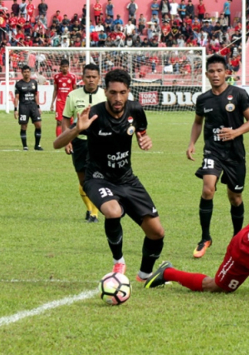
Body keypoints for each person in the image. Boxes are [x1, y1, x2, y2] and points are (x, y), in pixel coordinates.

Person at [53, 69, 166, 281]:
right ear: (105, 92)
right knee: (113, 212)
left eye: (122, 93)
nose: (117, 98)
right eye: (113, 92)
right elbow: (56, 143)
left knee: (157, 232)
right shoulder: (94, 114)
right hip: (97, 178)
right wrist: (77, 130)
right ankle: (118, 262)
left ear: (128, 92)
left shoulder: (136, 110)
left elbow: (141, 131)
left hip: (127, 179)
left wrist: (144, 139)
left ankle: (144, 274)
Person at [186, 55, 249, 258]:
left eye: (219, 71)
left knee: (235, 198)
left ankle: (237, 239)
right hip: (213, 151)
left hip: (234, 153)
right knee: (208, 189)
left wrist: (235, 132)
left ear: (226, 72)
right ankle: (205, 237)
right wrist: (192, 143)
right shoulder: (203, 99)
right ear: (206, 74)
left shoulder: (239, 94)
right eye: (212, 71)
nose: (215, 75)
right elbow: (198, 122)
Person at [60, 63, 104, 223]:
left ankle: (94, 214)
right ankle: (89, 208)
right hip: (79, 142)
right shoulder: (73, 95)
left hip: (100, 143)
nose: (91, 80)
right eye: (88, 77)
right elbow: (66, 118)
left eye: (94, 77)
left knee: (98, 178)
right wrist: (67, 139)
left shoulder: (105, 95)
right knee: (83, 180)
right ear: (82, 78)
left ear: (99, 78)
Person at [14, 65, 42, 151]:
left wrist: (38, 107)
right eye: (25, 72)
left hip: (33, 106)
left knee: (38, 125)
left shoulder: (34, 82)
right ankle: (25, 146)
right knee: (23, 126)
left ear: (30, 73)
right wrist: (15, 110)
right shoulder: (18, 84)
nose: (26, 74)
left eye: (28, 72)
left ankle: (37, 145)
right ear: (22, 73)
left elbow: (36, 95)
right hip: (23, 107)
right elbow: (16, 97)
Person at [49, 59, 77, 137]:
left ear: (68, 67)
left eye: (66, 67)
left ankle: (70, 139)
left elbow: (75, 90)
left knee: (71, 122)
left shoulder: (72, 76)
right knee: (59, 122)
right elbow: (55, 90)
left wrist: (76, 101)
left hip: (69, 102)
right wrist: (52, 103)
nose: (65, 68)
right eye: (63, 67)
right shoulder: (57, 76)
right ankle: (59, 139)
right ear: (60, 67)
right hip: (60, 102)